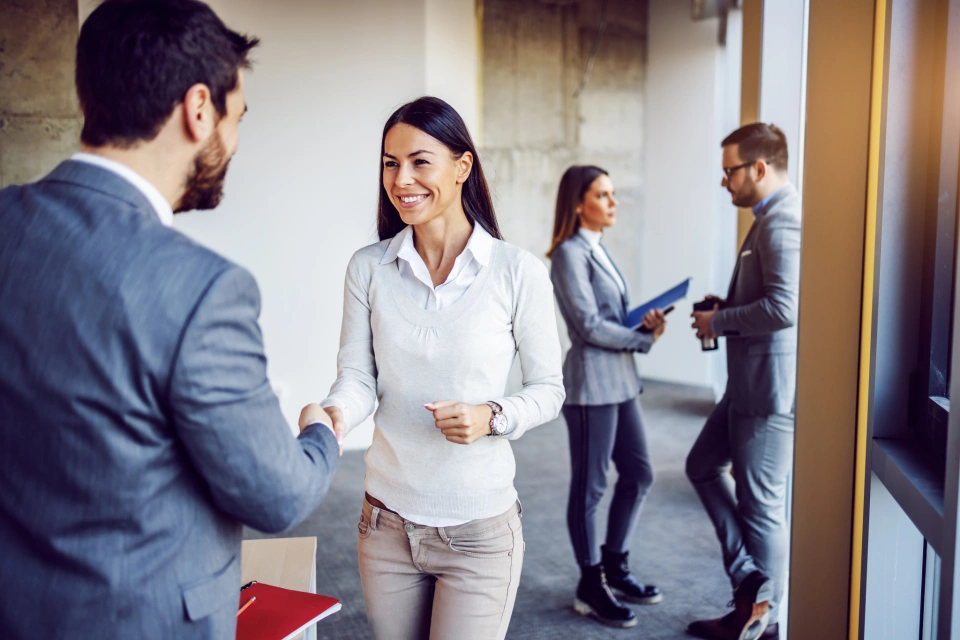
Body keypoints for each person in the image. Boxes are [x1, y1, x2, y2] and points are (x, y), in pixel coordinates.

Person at [0, 2, 341, 638]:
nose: (234, 142)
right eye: (236, 118)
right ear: (199, 109)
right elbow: (278, 495)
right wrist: (318, 434)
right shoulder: (204, 291)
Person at [304, 96, 564, 640]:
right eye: (390, 163)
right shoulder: (369, 268)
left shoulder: (517, 273)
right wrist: (333, 415)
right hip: (385, 524)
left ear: (462, 166)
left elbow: (548, 389)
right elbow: (357, 377)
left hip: (479, 531)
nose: (402, 179)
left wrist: (491, 416)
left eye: (421, 161)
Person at [685, 123, 801, 640]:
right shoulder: (766, 219)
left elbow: (785, 307)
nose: (723, 181)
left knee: (761, 506)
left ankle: (765, 621)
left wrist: (720, 322)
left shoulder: (782, 222)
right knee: (703, 466)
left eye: (730, 170)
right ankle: (750, 585)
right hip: (747, 384)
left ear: (759, 168)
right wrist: (726, 308)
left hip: (767, 391)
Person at [547, 165, 668, 629]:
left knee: (639, 473)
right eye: (603, 194)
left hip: (620, 380)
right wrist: (640, 339)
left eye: (613, 194)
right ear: (579, 203)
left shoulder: (598, 250)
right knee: (591, 486)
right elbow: (589, 327)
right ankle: (589, 581)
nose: (613, 202)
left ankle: (615, 566)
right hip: (591, 387)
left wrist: (645, 327)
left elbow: (610, 317)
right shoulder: (567, 254)